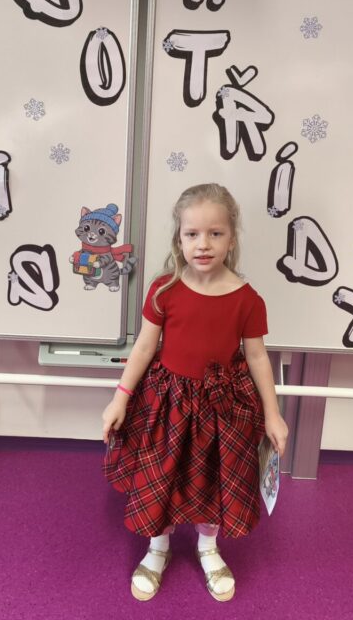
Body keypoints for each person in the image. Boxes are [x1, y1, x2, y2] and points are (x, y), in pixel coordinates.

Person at [102, 182, 289, 603]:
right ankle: (158, 548)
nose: (203, 244)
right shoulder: (163, 290)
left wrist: (273, 414)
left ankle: (208, 546)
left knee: (213, 479)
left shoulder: (247, 300)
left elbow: (257, 357)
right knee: (162, 476)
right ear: (179, 239)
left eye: (215, 233)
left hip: (223, 408)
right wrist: (120, 397)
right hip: (166, 404)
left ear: (231, 239)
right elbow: (144, 347)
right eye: (192, 234)